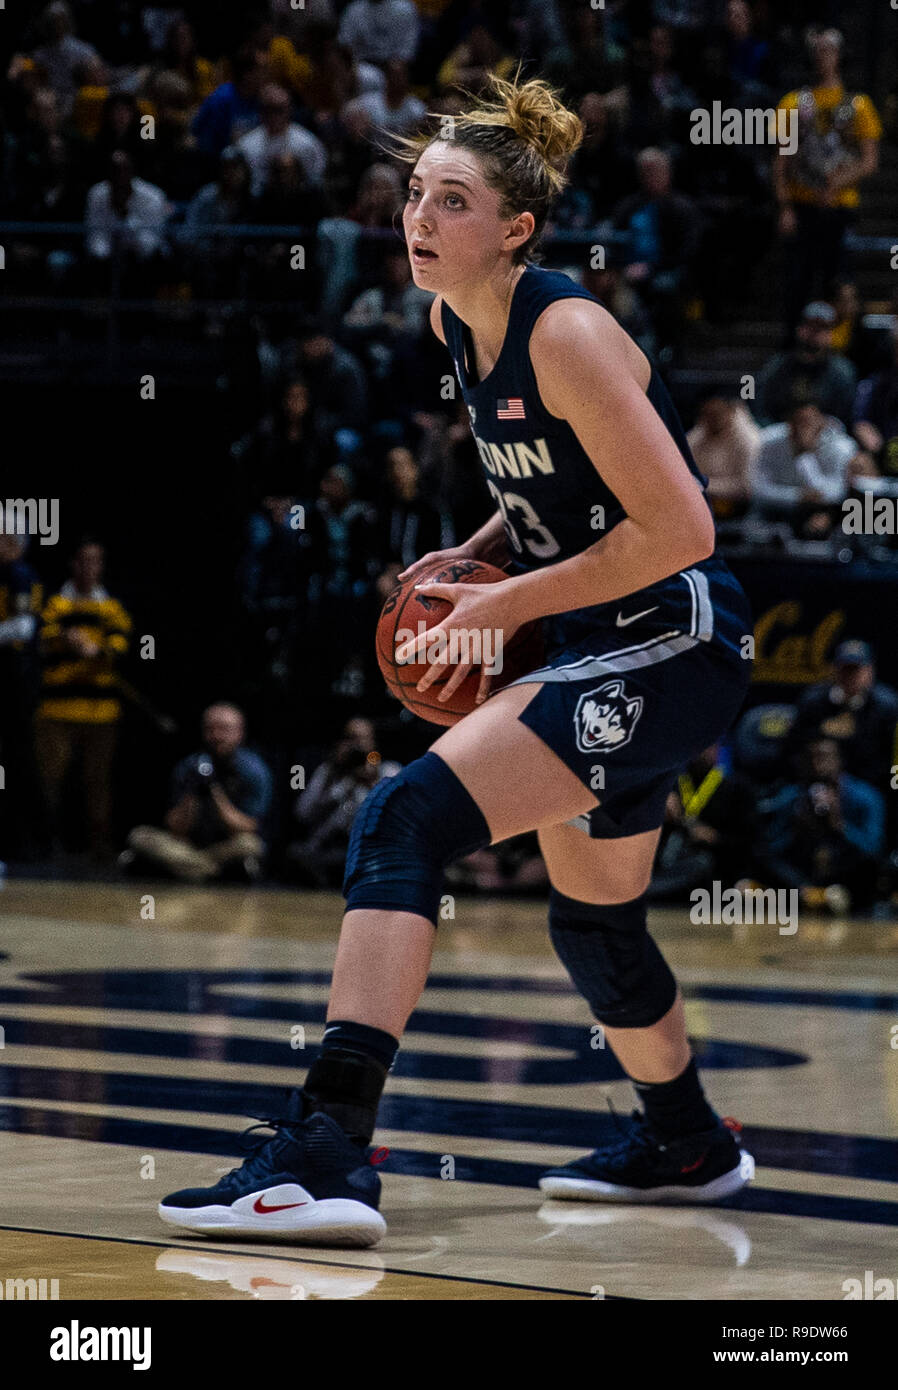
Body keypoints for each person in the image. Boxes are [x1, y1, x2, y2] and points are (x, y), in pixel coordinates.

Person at [160, 75, 756, 1247]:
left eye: (452, 201)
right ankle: (688, 1140)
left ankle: (326, 1152)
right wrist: (478, 546)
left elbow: (683, 528)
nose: (418, 220)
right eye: (414, 196)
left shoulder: (567, 330)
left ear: (518, 228)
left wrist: (508, 605)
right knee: (594, 925)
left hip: (671, 637)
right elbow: (551, 481)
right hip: (607, 640)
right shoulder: (453, 322)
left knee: (402, 820)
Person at [772, 28, 882, 334]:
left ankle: (839, 347)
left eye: (829, 50)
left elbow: (869, 161)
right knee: (798, 281)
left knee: (840, 283)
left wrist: (838, 183)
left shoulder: (856, 104)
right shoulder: (795, 102)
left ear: (840, 55)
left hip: (839, 209)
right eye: (818, 50)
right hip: (803, 204)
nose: (823, 56)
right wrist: (784, 206)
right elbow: (782, 159)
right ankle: (793, 346)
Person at [35, 539, 131, 860]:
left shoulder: (112, 608)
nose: (91, 568)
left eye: (97, 561)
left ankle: (99, 846)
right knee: (50, 778)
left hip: (101, 711)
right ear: (73, 564)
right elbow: (39, 634)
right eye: (85, 561)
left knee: (98, 781)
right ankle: (48, 842)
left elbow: (121, 643)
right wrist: (65, 638)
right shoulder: (54, 604)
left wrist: (97, 648)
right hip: (57, 710)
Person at [124, 703, 272, 883]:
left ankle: (187, 870)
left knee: (251, 845)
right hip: (187, 846)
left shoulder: (254, 771)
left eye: (224, 729)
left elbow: (249, 826)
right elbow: (176, 827)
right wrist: (192, 793)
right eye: (210, 729)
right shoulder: (188, 767)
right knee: (139, 836)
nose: (216, 736)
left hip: (225, 846)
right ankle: (211, 873)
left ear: (240, 733)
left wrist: (215, 792)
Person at [758, 738, 884, 914]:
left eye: (824, 758)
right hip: (800, 881)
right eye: (811, 758)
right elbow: (769, 850)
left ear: (839, 761)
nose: (817, 765)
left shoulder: (866, 797)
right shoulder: (791, 797)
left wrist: (840, 826)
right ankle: (810, 896)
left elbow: (874, 850)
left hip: (850, 883)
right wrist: (796, 829)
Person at [786, 640, 898, 796]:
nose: (850, 676)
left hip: (869, 787)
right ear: (834, 670)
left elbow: (891, 757)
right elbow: (794, 746)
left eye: (856, 670)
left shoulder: (887, 706)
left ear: (869, 672)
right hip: (815, 784)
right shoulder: (813, 702)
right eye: (845, 669)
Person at [750, 398, 864, 533]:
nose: (801, 429)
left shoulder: (841, 447)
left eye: (808, 422)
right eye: (796, 421)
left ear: (823, 421)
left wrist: (805, 454)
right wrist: (798, 496)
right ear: (788, 423)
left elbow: (834, 495)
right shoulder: (769, 441)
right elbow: (758, 490)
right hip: (777, 511)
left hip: (823, 513)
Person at [753, 301, 857, 428]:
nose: (814, 334)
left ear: (830, 334)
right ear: (799, 328)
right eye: (810, 326)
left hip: (825, 436)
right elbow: (758, 407)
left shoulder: (842, 372)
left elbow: (845, 418)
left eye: (821, 328)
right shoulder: (777, 366)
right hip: (782, 432)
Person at [686, 390, 760, 518]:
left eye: (716, 414)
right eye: (706, 415)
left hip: (739, 509)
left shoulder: (748, 439)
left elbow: (747, 487)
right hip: (698, 503)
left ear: (731, 411)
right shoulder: (698, 433)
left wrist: (704, 484)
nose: (710, 420)